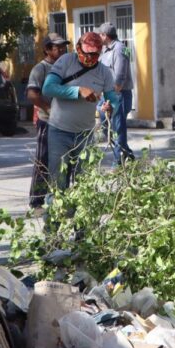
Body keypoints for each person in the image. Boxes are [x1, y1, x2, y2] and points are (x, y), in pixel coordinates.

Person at [42, 32, 119, 190]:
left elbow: (113, 100)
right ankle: (56, 214)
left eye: (94, 54)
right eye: (86, 53)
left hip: (85, 135)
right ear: (78, 48)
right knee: (58, 183)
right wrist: (78, 91)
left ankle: (76, 215)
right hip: (59, 131)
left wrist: (110, 107)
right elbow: (48, 88)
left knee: (84, 185)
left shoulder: (104, 72)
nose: (90, 57)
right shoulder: (65, 61)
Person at [26, 32, 69, 209]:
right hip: (47, 121)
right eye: (57, 47)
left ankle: (62, 197)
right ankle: (37, 200)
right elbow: (32, 95)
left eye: (63, 46)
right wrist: (48, 109)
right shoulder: (41, 69)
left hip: (66, 121)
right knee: (43, 159)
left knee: (65, 161)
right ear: (47, 49)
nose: (61, 49)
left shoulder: (66, 67)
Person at [97, 22, 135, 165]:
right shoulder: (105, 51)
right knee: (105, 126)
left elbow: (120, 76)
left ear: (105, 35)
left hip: (119, 95)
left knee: (118, 127)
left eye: (100, 34)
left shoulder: (120, 49)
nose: (98, 37)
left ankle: (119, 161)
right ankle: (127, 154)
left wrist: (111, 98)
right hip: (107, 95)